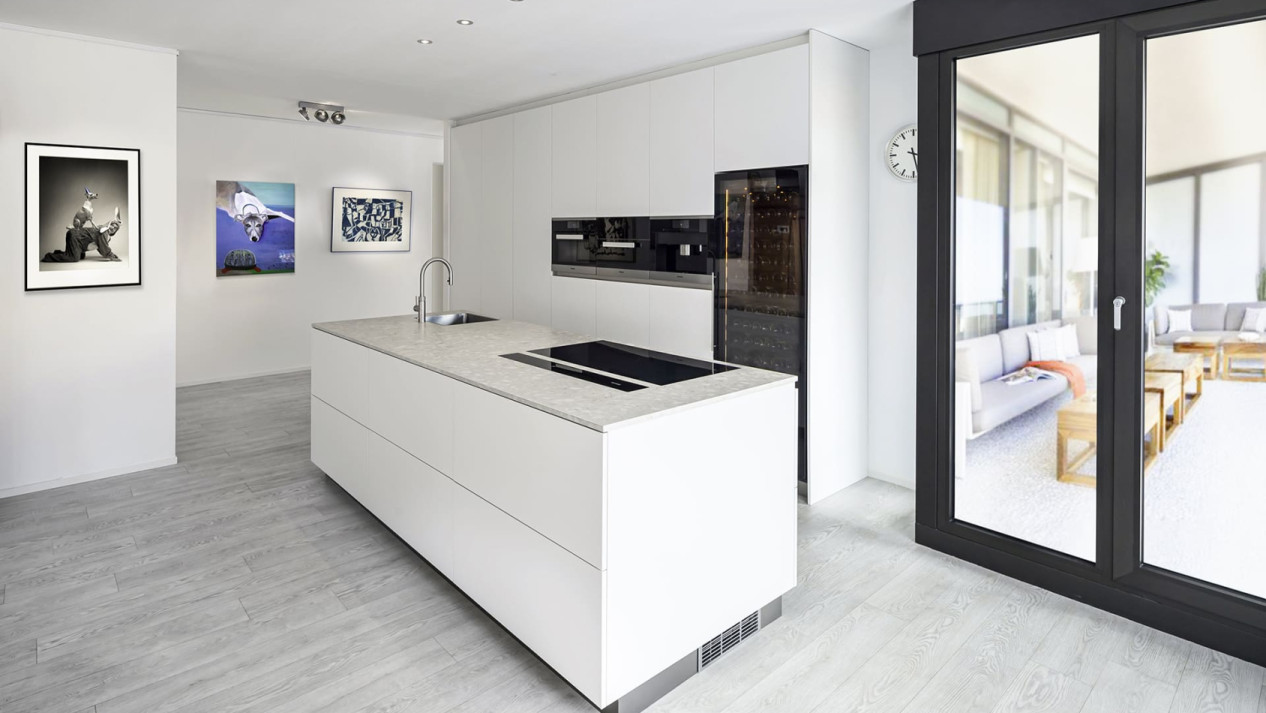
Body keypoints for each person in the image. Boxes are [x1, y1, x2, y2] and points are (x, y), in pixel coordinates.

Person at [41, 206, 123, 263]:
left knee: (81, 256)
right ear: (109, 225)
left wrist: (107, 254)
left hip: (78, 241)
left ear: (115, 232)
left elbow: (100, 245)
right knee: (73, 258)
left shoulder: (106, 236)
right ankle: (49, 256)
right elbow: (103, 248)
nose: (113, 228)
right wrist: (111, 256)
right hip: (75, 236)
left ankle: (58, 253)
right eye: (112, 225)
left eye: (115, 228)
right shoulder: (103, 232)